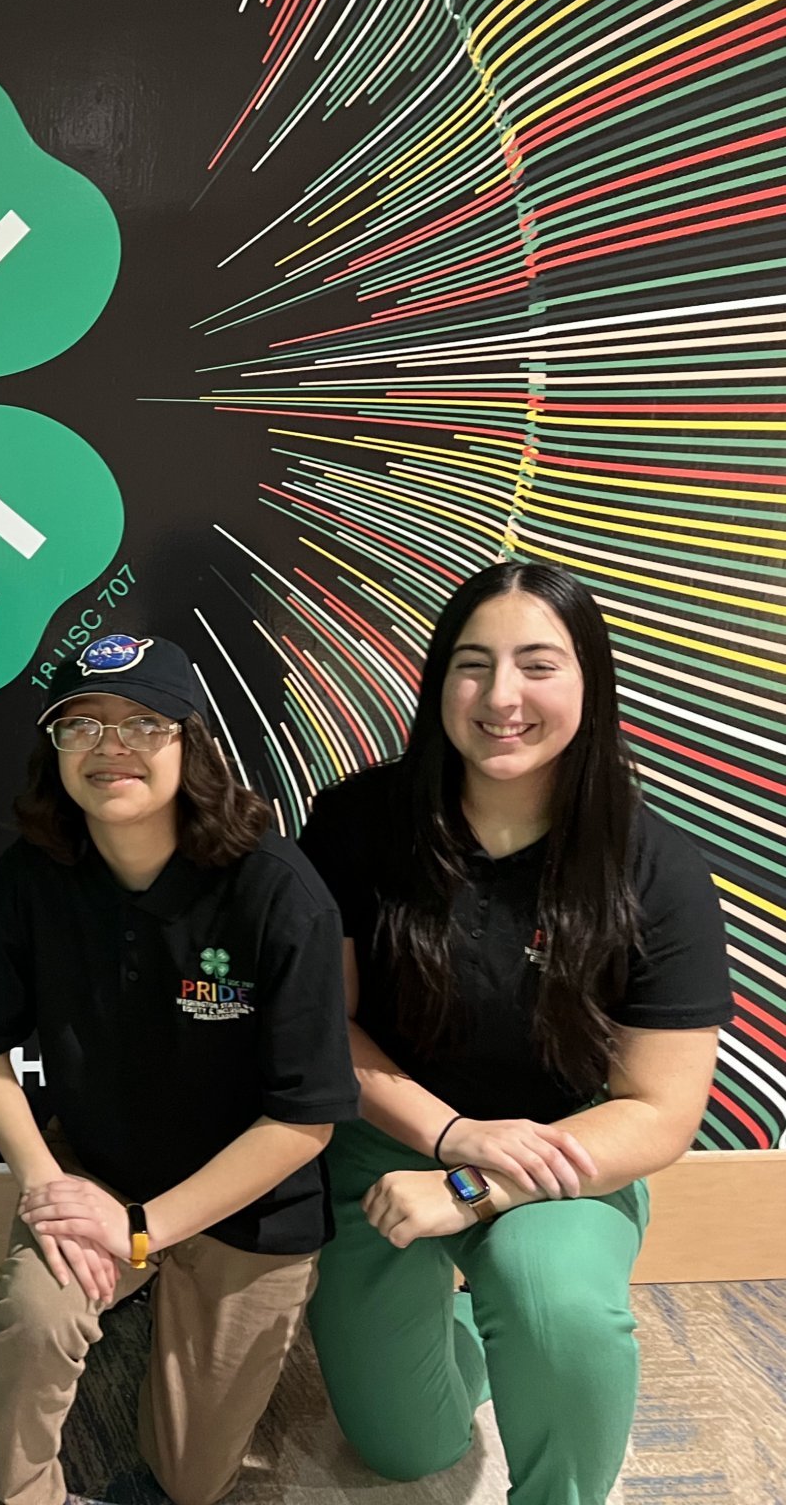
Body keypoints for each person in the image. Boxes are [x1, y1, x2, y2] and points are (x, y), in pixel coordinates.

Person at [297, 561, 728, 1504]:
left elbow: (658, 1112)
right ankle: (465, 1340)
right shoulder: (354, 823)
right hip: (386, 1142)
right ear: (438, 681)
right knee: (403, 1449)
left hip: (562, 1159)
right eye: (472, 664)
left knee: (556, 1305)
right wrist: (448, 1139)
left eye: (538, 664)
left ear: (591, 682)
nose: (502, 698)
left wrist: (474, 1182)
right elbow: (327, 1030)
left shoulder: (654, 869)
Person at [0, 633, 358, 1505]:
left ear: (191, 742)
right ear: (53, 751)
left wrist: (143, 1231)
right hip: (97, 1169)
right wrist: (46, 1191)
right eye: (82, 727)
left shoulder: (278, 891)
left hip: (249, 1205)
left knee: (189, 1479)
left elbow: (304, 1121)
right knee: (33, 1317)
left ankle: (167, 1301)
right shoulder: (30, 877)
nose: (111, 748)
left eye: (143, 723)